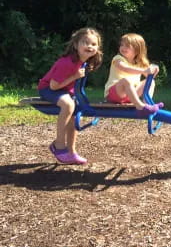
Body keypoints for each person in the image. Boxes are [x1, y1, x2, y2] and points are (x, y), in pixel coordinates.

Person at [38, 27, 103, 165]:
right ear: (75, 45)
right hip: (48, 89)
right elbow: (53, 86)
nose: (90, 46)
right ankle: (59, 145)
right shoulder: (67, 62)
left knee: (75, 110)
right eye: (85, 42)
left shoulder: (83, 61)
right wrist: (74, 76)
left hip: (64, 90)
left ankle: (71, 152)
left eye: (93, 44)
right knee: (68, 105)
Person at [104, 33, 163, 116]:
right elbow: (125, 68)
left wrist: (154, 71)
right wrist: (144, 70)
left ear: (137, 49)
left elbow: (148, 77)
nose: (123, 48)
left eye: (127, 46)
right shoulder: (118, 59)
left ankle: (147, 105)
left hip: (131, 95)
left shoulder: (140, 63)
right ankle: (140, 107)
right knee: (126, 81)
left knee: (151, 82)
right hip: (115, 93)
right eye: (122, 45)